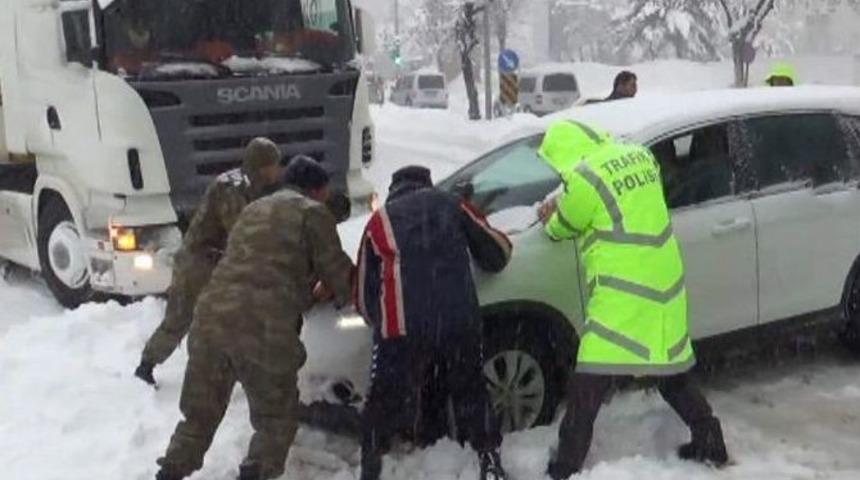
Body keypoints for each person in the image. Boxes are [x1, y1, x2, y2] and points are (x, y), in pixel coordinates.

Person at [536, 121, 728, 479]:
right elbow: (621, 200)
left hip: (624, 288)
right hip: (663, 276)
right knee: (668, 367)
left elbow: (563, 225)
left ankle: (565, 466)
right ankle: (710, 439)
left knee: (589, 379)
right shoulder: (638, 155)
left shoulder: (584, 178)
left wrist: (549, 215)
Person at [154, 156, 354, 480]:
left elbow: (257, 270)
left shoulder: (252, 210)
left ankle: (170, 473)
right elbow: (340, 276)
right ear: (316, 191)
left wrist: (303, 293)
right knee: (275, 419)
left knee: (198, 418)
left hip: (210, 318)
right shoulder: (312, 213)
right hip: (263, 327)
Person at [355, 166, 512, 480]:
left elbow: (362, 292)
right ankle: (489, 460)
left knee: (383, 397)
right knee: (470, 388)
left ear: (394, 190)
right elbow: (497, 251)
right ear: (426, 184)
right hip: (456, 320)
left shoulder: (379, 222)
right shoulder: (451, 204)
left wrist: (378, 321)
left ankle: (371, 466)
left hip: (401, 326)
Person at [135, 138, 283, 386]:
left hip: (218, 261)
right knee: (180, 318)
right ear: (262, 166)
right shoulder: (232, 190)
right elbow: (241, 232)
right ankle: (146, 365)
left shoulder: (250, 185)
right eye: (274, 165)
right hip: (198, 262)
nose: (278, 171)